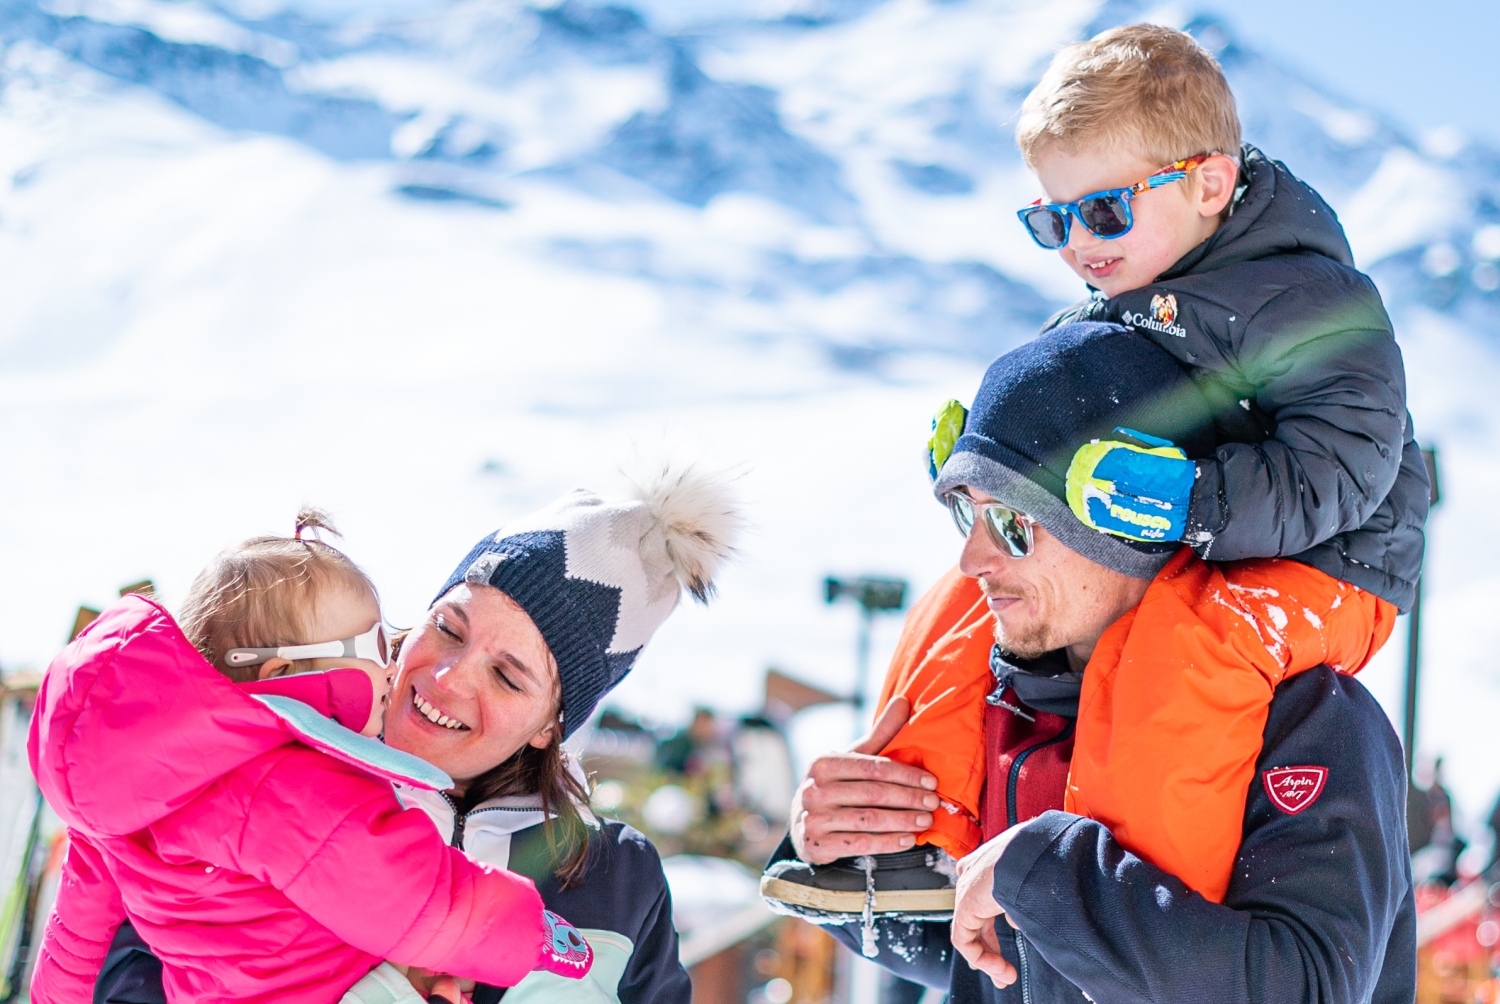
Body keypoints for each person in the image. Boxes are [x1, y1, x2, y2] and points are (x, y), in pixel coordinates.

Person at [764, 20, 1427, 915]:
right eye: (1050, 218)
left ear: (1209, 183)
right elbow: (1054, 386)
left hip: (1329, 562)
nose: (1077, 241)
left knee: (1190, 647)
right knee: (961, 604)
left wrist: (1196, 500)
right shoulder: (1130, 288)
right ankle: (914, 843)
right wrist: (988, 457)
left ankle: (1134, 893)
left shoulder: (1310, 300)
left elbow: (1345, 468)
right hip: (1210, 540)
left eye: (1103, 210)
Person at [765, 323, 1414, 1002]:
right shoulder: (1001, 712)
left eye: (1014, 523)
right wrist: (833, 845)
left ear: (1125, 524)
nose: (972, 563)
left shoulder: (1307, 723)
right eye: (970, 517)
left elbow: (1307, 987)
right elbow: (964, 959)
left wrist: (1046, 872)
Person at [93, 466, 744, 1004]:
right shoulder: (269, 788)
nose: (447, 678)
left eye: (507, 676)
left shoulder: (618, 881)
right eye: (449, 629)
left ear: (551, 725)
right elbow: (127, 977)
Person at [31, 510, 591, 1004]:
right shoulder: (286, 785)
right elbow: (415, 900)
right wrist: (540, 936)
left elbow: (75, 938)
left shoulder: (135, 787)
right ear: (286, 676)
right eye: (372, 646)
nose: (391, 665)